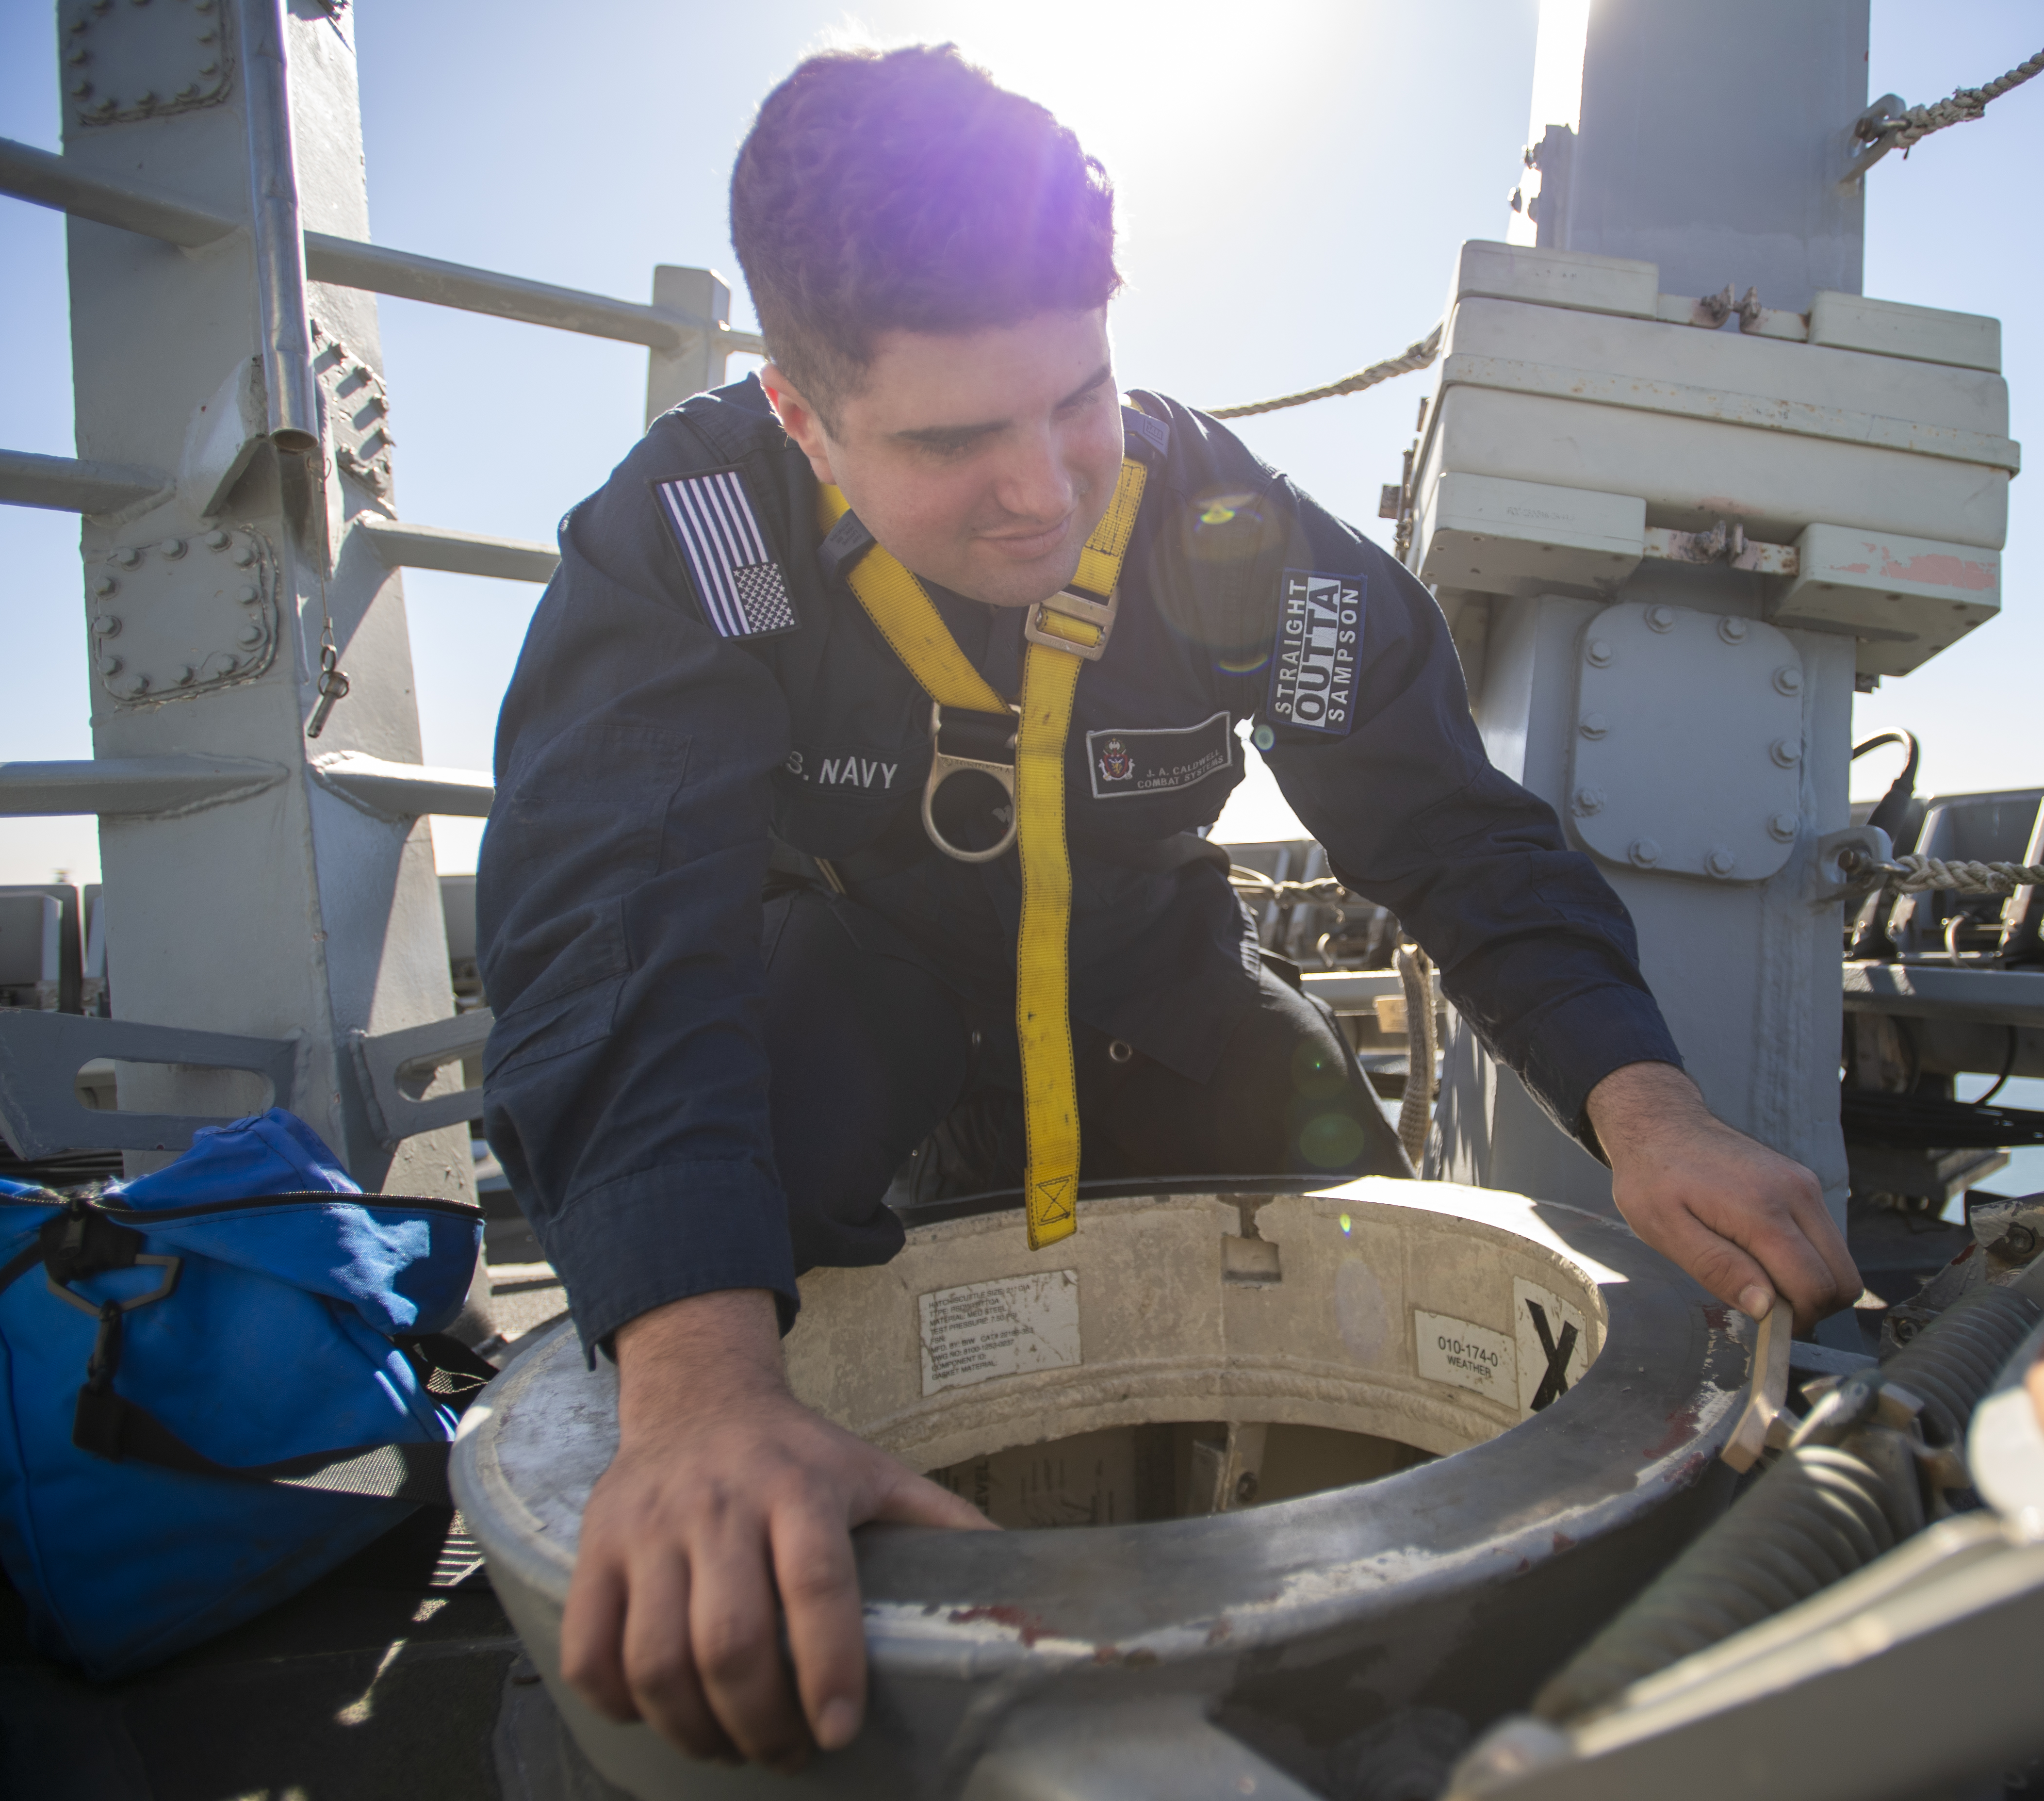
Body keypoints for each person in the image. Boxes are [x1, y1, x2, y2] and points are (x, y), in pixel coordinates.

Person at [475, 42, 1861, 1775]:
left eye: (1076, 396)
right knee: (677, 1327)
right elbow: (614, 928)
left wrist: (1649, 1113)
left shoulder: (1229, 538)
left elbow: (1450, 830)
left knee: (1349, 1198)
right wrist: (695, 1392)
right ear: (803, 418)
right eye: (950, 439)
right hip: (851, 985)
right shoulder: (695, 539)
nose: (1046, 490)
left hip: (1149, 961)